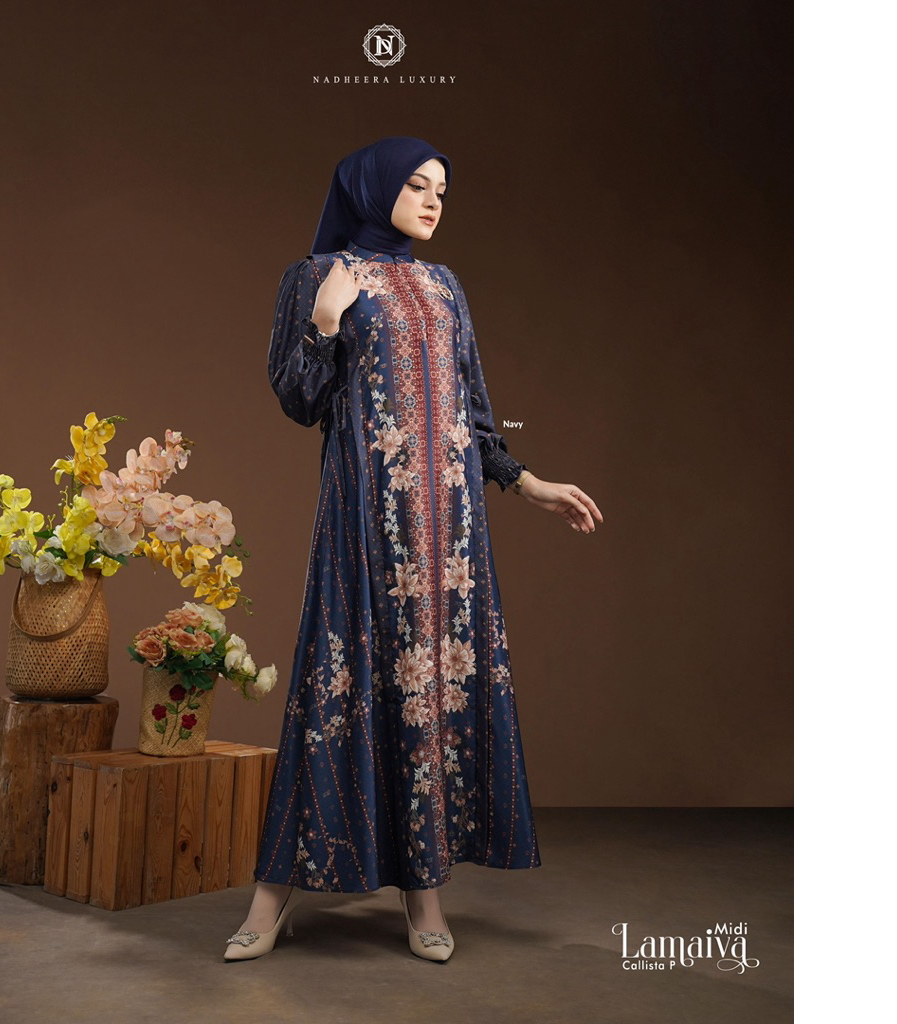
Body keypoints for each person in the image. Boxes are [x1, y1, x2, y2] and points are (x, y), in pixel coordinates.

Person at [224, 136, 604, 963]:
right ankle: (272, 895)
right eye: (417, 186)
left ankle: (423, 891)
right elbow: (298, 399)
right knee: (338, 682)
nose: (433, 202)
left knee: (429, 687)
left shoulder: (444, 286)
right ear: (373, 188)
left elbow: (470, 406)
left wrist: (526, 482)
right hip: (365, 516)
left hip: (451, 531)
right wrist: (326, 322)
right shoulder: (317, 275)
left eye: (442, 190)